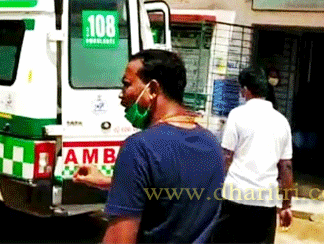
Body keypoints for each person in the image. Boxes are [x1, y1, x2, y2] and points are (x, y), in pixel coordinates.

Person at [73, 49, 224, 243]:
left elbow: (119, 240)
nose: (121, 95)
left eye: (126, 84)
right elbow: (174, 190)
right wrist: (109, 181)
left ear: (152, 90)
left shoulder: (139, 148)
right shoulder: (212, 144)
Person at [211, 67, 293, 244]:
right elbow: (286, 167)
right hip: (266, 202)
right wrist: (286, 205)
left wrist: (214, 191)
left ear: (245, 90)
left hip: (235, 197)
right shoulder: (282, 122)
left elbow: (226, 158)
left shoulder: (237, 116)